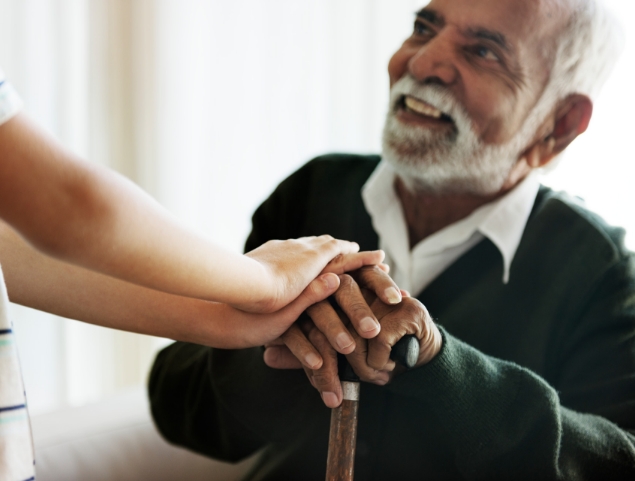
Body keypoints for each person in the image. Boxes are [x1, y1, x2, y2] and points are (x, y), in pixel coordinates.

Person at [149, 0, 635, 479]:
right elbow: (180, 412)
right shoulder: (315, 190)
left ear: (561, 123)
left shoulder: (604, 274)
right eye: (424, 26)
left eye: (483, 52)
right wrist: (280, 340)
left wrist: (440, 364)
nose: (421, 63)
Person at [0, 67, 388, 480]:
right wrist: (262, 281)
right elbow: (69, 209)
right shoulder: (320, 187)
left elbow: (18, 253)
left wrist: (230, 317)